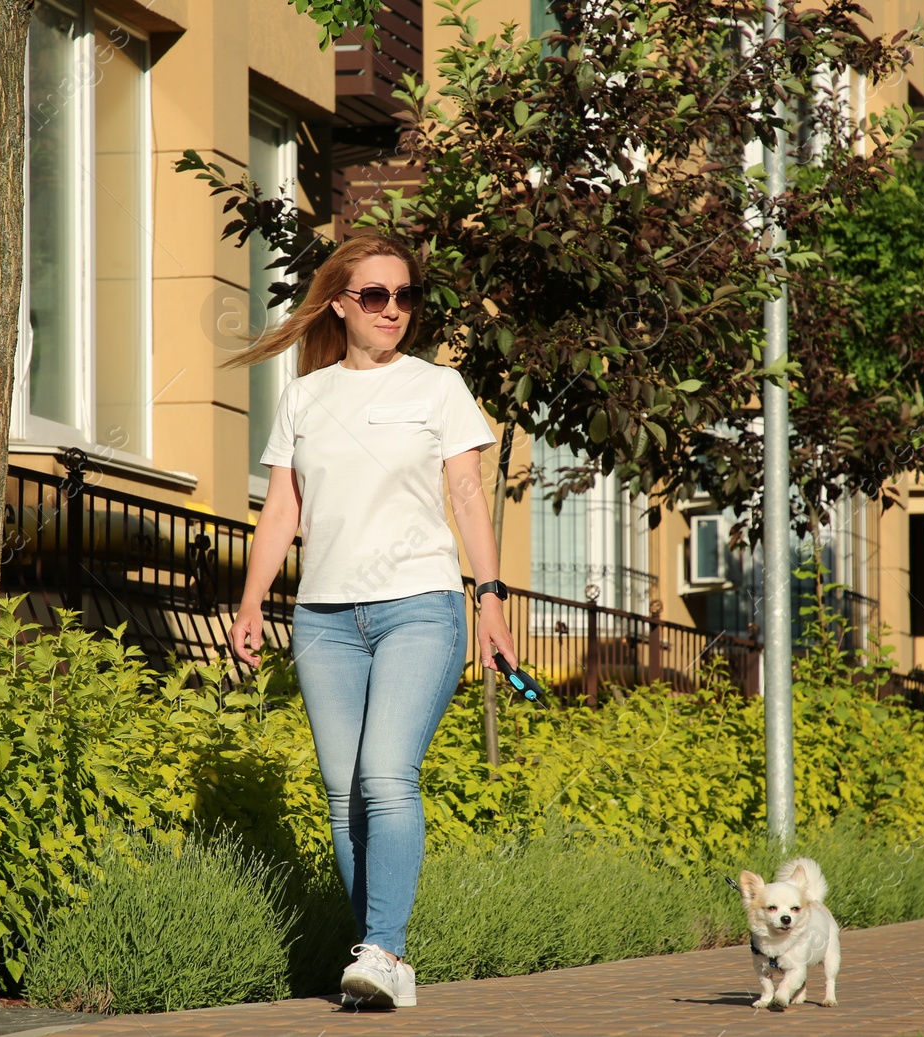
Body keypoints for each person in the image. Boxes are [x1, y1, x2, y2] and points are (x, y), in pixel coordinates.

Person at [226, 234, 519, 1010]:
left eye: (406, 296)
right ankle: (378, 956)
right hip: (322, 617)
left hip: (418, 606)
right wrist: (253, 599)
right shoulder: (306, 396)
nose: (395, 309)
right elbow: (283, 506)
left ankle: (384, 949)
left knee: (386, 775)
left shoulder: (439, 388)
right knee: (341, 788)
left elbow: (465, 497)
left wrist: (490, 598)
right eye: (376, 295)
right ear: (340, 304)